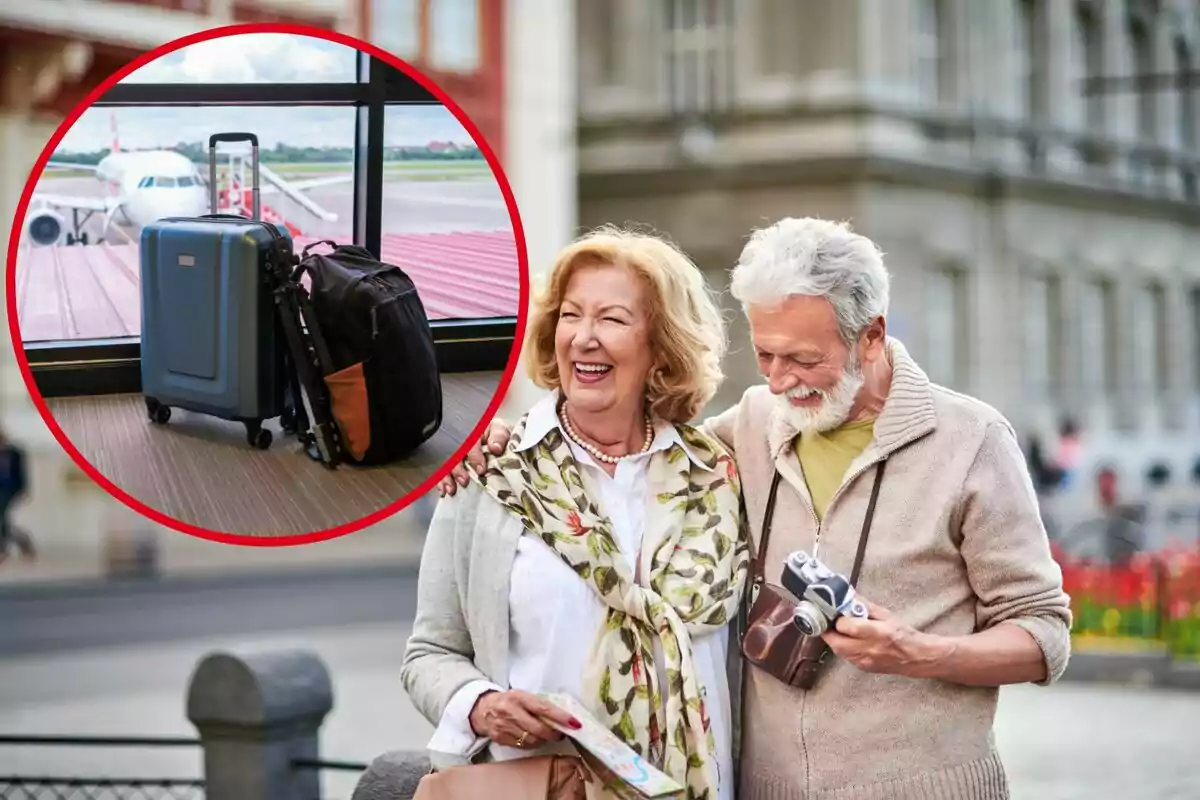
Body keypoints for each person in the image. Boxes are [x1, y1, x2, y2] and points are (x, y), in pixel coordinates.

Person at [442, 217, 1073, 799]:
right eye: (765, 354)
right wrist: (498, 436)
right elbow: (623, 446)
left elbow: (1043, 634)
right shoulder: (746, 430)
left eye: (803, 359)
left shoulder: (970, 441)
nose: (777, 381)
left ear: (873, 336)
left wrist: (919, 651)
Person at [401, 226, 749, 800]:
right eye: (570, 316)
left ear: (661, 345)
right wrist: (481, 706)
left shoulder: (718, 473)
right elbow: (429, 652)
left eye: (612, 319)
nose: (584, 338)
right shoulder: (492, 476)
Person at [0, 430, 35, 564]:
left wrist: (24, 489)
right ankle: (23, 542)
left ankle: (3, 550)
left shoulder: (14, 454)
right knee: (4, 521)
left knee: (2, 518)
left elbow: (21, 472)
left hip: (11, 490)